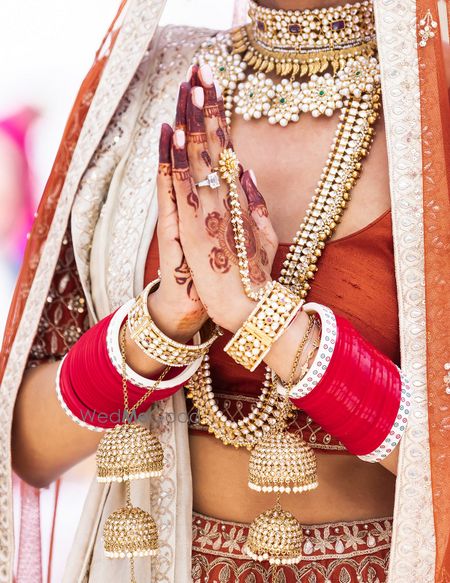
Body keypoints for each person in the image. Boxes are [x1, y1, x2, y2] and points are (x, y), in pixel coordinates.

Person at [1, 0, 449, 582]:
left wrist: (272, 326)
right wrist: (162, 325)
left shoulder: (431, 101)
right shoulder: (154, 84)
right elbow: (28, 447)